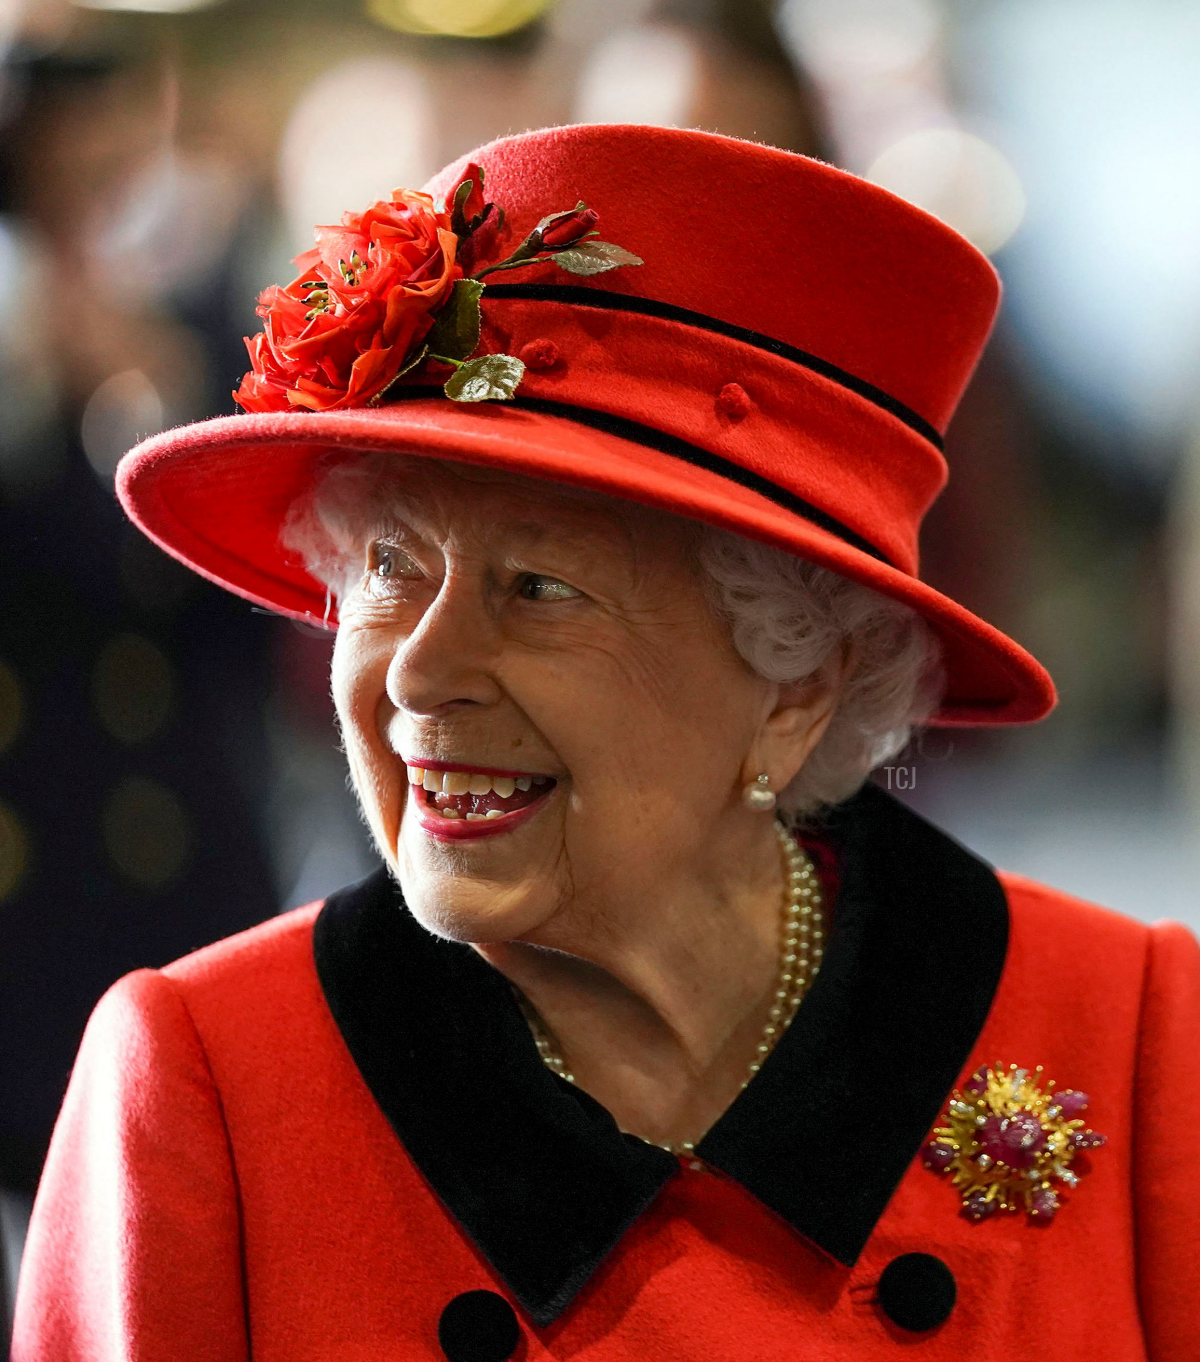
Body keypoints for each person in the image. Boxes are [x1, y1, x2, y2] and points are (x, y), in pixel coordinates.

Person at [12, 123, 1200, 1360]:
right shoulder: (209, 1083)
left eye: (538, 589)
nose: (418, 667)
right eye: (388, 567)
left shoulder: (1127, 1035)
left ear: (795, 687)